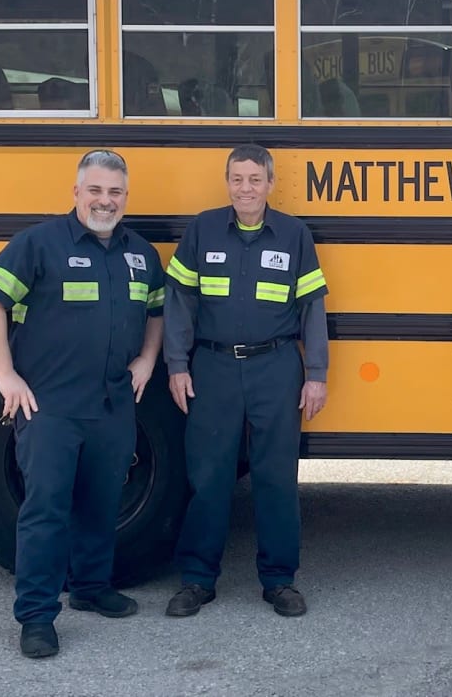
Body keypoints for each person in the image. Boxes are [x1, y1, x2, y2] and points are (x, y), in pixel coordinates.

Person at [0, 150, 165, 658]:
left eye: (115, 192)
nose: (106, 201)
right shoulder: (38, 244)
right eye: (96, 190)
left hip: (112, 404)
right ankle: (36, 616)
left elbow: (156, 308)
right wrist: (5, 374)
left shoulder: (141, 254)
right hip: (50, 407)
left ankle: (90, 586)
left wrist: (147, 358)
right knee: (46, 511)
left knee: (101, 503)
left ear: (126, 196)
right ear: (76, 193)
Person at [163, 144, 329, 619]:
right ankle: (197, 580)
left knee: (276, 477)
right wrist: (177, 364)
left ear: (271, 184)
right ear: (227, 182)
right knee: (209, 475)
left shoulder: (294, 235)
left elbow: (312, 307)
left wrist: (315, 373)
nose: (246, 188)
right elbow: (179, 301)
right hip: (211, 368)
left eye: (255, 179)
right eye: (237, 179)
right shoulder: (203, 229)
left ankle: (279, 581)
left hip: (276, 367)